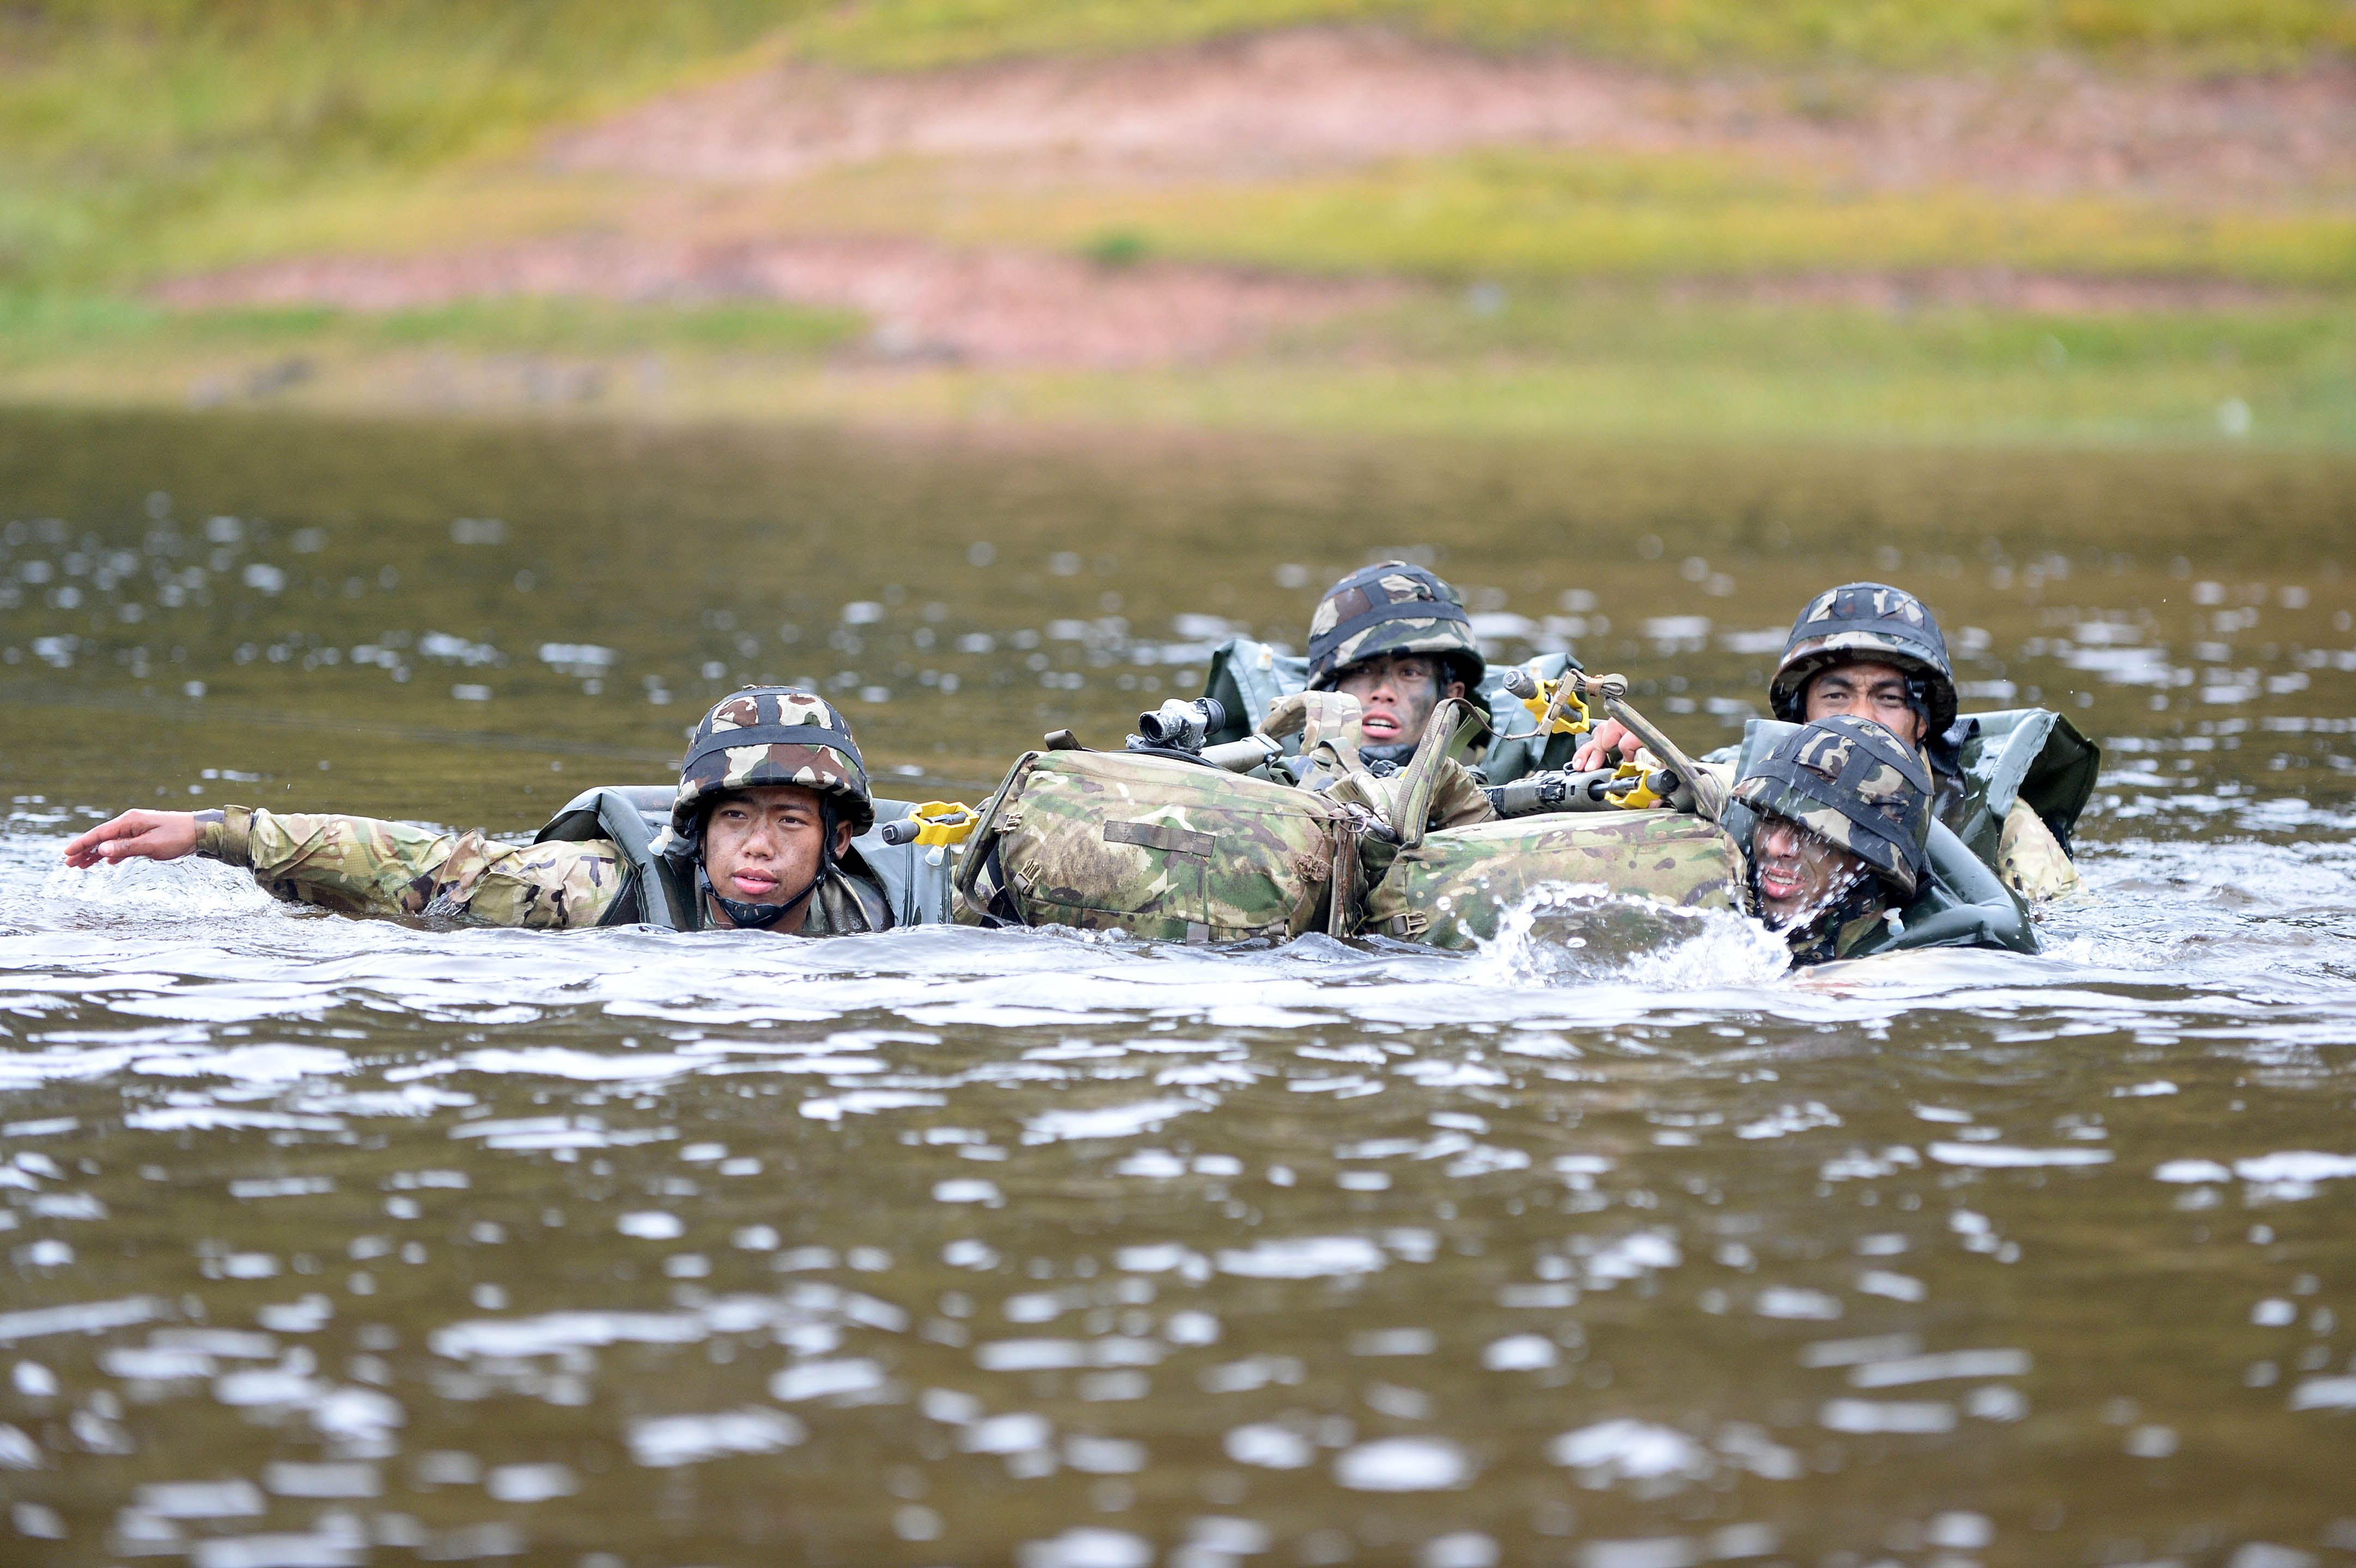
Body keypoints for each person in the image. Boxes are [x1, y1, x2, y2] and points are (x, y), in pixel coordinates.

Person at [62, 689, 893, 934]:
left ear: (837, 839)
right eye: (735, 818)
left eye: (790, 820)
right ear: (697, 831)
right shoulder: (604, 892)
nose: (757, 846)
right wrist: (217, 831)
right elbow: (413, 862)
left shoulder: (891, 912)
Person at [1574, 581, 2084, 902]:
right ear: (1802, 715)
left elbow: (2069, 946)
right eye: (1837, 697)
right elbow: (1700, 778)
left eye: (1887, 699)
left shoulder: (2002, 827)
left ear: (1923, 722)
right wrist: (1635, 759)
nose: (1862, 721)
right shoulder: (1759, 774)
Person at [1724, 713, 1938, 964]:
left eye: (1812, 832)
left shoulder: (1912, 961)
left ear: (1870, 865)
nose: (1775, 846)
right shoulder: (1717, 897)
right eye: (1770, 819)